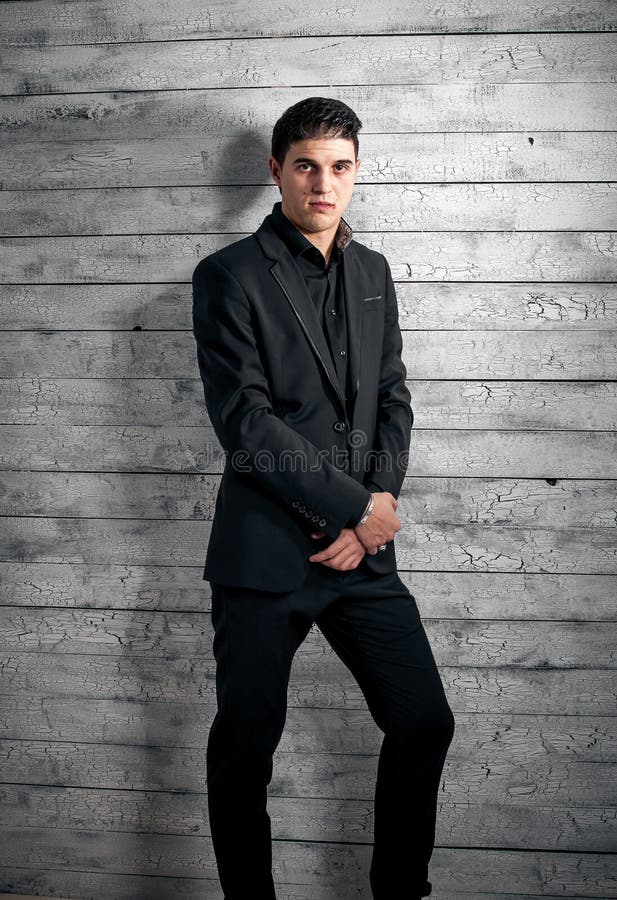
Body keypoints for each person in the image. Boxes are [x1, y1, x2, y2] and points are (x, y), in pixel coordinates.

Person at [192, 96, 455, 900]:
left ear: (355, 172)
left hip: (361, 555)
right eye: (305, 164)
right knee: (246, 752)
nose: (323, 182)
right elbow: (247, 423)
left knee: (422, 721)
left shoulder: (373, 272)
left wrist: (375, 510)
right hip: (267, 555)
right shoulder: (227, 275)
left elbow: (391, 396)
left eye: (339, 166)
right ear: (276, 172)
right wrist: (350, 510)